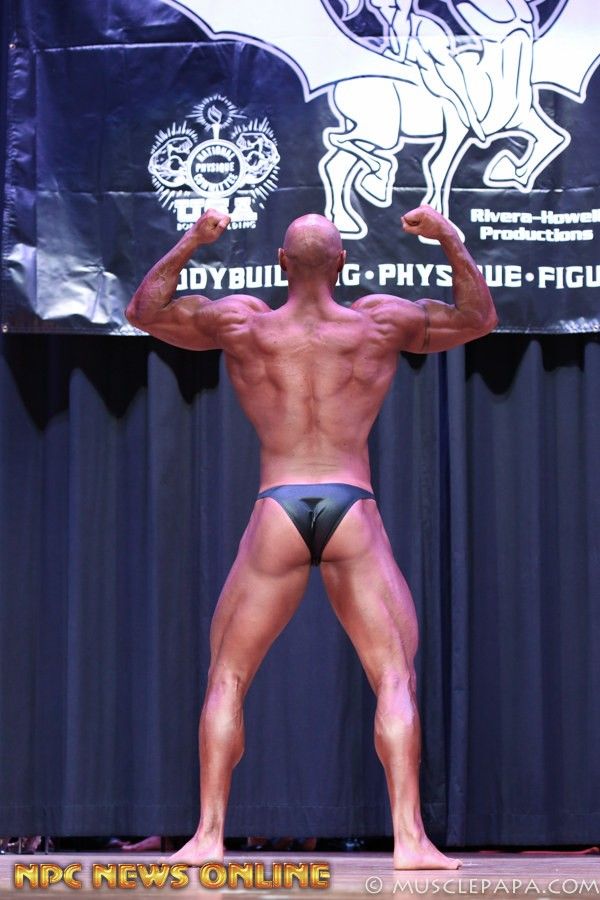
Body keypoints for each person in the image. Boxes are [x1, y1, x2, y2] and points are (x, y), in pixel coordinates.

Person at [125, 205, 498, 870]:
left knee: (228, 677)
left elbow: (144, 311)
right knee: (394, 677)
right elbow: (478, 318)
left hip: (280, 503)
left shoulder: (243, 324)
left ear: (280, 264)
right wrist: (449, 238)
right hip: (352, 504)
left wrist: (192, 241)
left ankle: (208, 836)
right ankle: (410, 839)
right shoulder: (378, 323)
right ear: (343, 265)